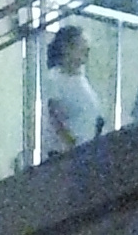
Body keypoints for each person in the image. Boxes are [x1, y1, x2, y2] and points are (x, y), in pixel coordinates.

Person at [41, 22, 106, 154]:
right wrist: (72, 147)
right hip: (66, 155)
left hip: (86, 151)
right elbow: (55, 118)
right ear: (66, 48)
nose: (87, 51)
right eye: (82, 46)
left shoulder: (81, 79)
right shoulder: (55, 79)